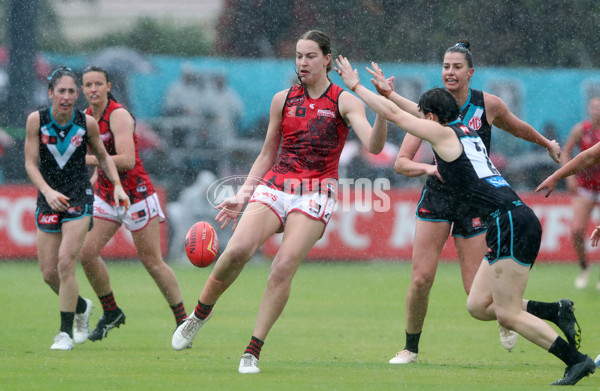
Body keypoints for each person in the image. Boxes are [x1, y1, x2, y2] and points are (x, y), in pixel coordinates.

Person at [335, 57, 596, 385]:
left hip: (509, 222)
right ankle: (556, 311)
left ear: (432, 118)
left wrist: (356, 87)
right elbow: (411, 113)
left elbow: (396, 116)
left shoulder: (445, 136)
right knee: (477, 304)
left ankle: (576, 361)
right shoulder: (463, 129)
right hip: (514, 218)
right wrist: (390, 93)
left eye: (425, 116)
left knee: (508, 313)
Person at [171, 30, 388, 374]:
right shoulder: (282, 99)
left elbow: (374, 147)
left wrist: (384, 112)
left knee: (283, 265)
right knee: (237, 251)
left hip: (317, 191)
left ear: (327, 59)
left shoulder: (344, 101)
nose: (303, 62)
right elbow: (266, 154)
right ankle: (198, 316)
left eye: (310, 56)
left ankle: (252, 351)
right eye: (299, 56)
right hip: (277, 185)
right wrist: (243, 194)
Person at [383, 40, 565, 363]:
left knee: (475, 293)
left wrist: (546, 143)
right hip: (438, 198)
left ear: (470, 72)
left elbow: (518, 128)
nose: (449, 73)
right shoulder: (432, 109)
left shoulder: (488, 105)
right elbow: (401, 163)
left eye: (456, 67)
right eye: (445, 66)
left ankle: (522, 313)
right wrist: (429, 167)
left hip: (476, 203)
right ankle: (410, 347)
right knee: (421, 278)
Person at [78, 66, 188, 341]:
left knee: (152, 261)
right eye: (88, 85)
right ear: (83, 89)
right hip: (107, 194)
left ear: (108, 86)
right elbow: (99, 156)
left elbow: (126, 159)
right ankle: (111, 311)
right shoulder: (87, 118)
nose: (93, 89)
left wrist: (89, 161)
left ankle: (183, 321)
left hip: (135, 195)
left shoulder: (119, 115)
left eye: (98, 84)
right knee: (87, 254)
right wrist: (94, 177)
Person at [24, 66, 129, 350]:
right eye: (62, 91)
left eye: (72, 91)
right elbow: (30, 164)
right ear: (51, 93)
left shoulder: (86, 123)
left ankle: (64, 333)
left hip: (79, 196)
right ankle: (81, 306)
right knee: (49, 274)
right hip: (48, 197)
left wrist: (117, 184)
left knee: (66, 261)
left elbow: (105, 158)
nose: (67, 96)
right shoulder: (37, 121)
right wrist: (47, 191)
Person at [559, 97, 600, 289]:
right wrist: (569, 177)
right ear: (589, 110)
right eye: (594, 108)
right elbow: (565, 152)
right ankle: (584, 267)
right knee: (576, 230)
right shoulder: (580, 130)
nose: (597, 111)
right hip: (585, 187)